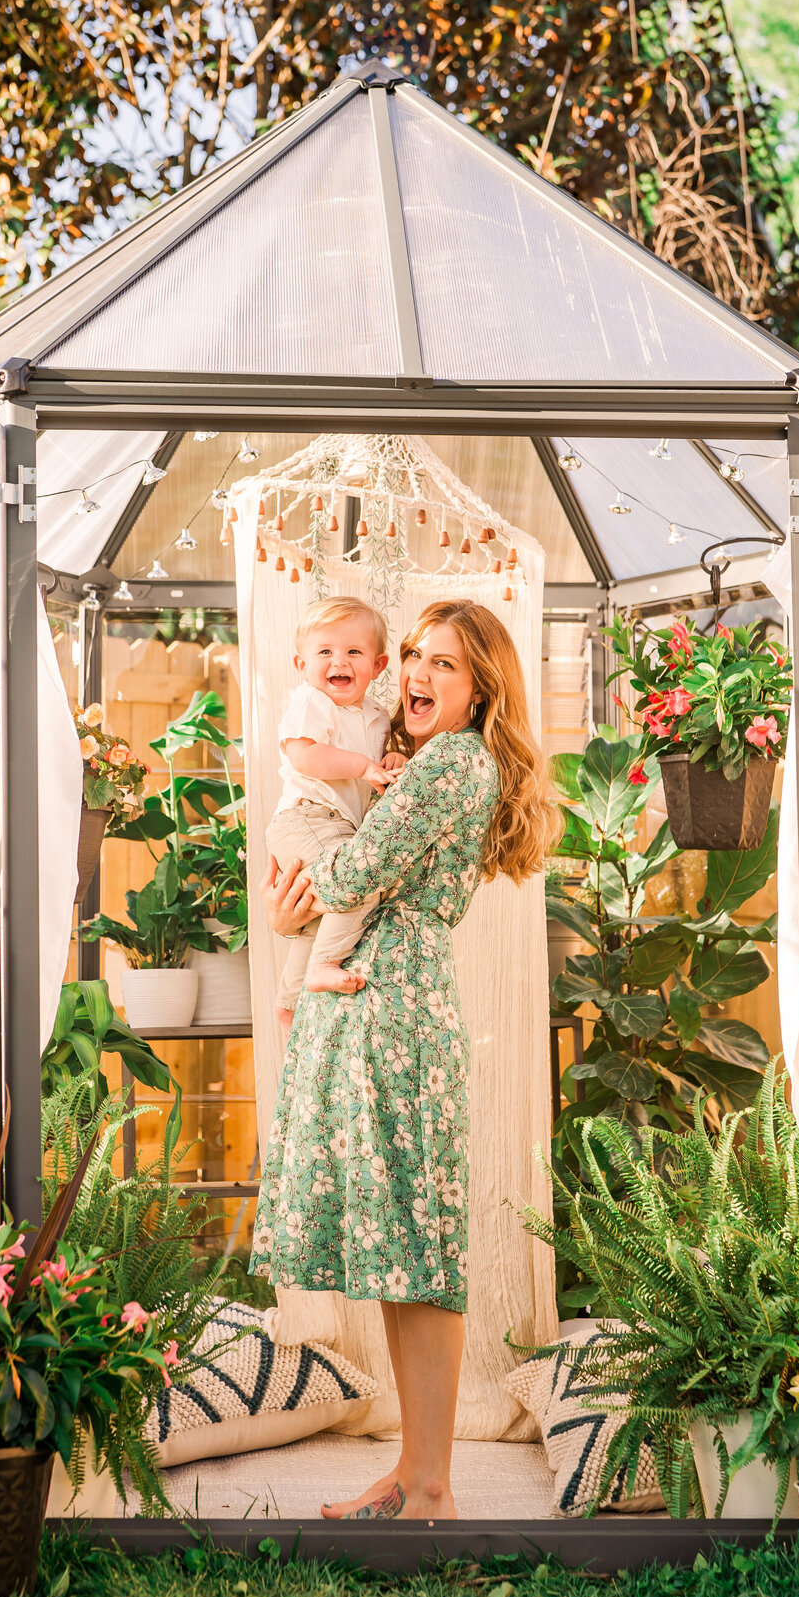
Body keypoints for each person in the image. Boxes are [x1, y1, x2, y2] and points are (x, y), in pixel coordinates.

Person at [251, 599, 551, 1521]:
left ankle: (431, 1484)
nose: (419, 674)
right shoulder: (412, 766)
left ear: (480, 692)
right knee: (393, 1248)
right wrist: (296, 908)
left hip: (395, 1011)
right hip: (371, 996)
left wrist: (302, 899)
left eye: (447, 666)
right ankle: (416, 1474)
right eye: (416, 655)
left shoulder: (453, 764)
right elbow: (313, 892)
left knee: (415, 1248)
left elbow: (337, 879)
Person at [265, 596, 407, 1039]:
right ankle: (323, 966)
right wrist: (365, 767)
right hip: (306, 817)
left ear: (379, 664)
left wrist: (392, 757)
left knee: (316, 914)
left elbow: (380, 761)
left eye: (353, 652)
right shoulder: (312, 701)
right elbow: (305, 756)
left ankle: (289, 1002)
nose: (338, 662)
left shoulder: (377, 716)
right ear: (301, 663)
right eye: (324, 652)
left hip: (338, 825)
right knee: (360, 883)